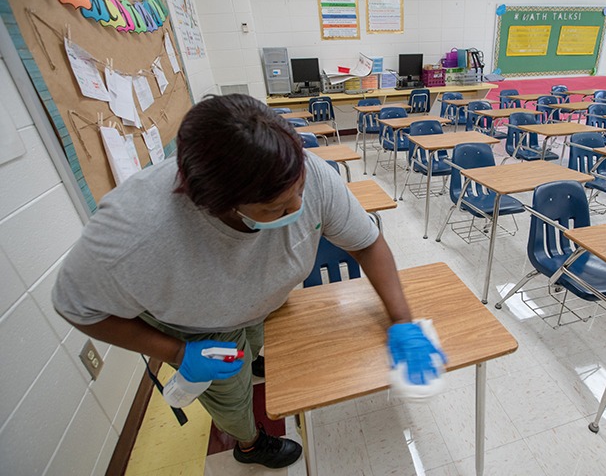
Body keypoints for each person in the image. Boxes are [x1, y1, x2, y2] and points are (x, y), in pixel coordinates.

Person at [52, 94, 445, 469]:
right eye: (275, 208)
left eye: (300, 192)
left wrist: (402, 320)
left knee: (254, 346)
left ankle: (255, 360)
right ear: (216, 203)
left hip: (264, 303)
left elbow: (367, 244)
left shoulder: (306, 175)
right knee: (231, 395)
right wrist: (175, 352)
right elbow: (76, 307)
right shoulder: (135, 233)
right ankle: (250, 443)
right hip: (199, 328)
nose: (297, 208)